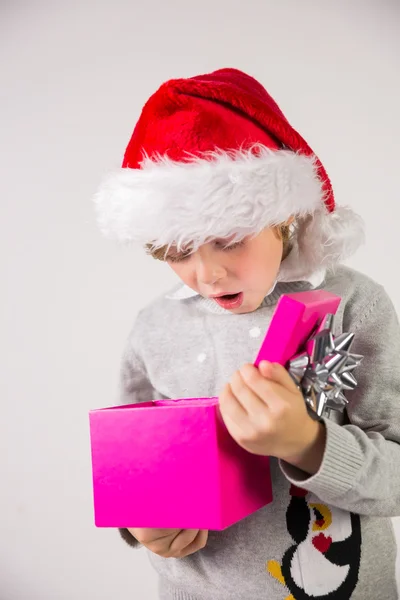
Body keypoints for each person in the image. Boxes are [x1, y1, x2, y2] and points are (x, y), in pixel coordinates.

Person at [93, 68, 400, 600]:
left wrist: (308, 443)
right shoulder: (156, 326)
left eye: (229, 239)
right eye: (178, 251)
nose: (207, 274)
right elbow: (132, 469)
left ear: (283, 218)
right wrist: (143, 525)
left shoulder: (353, 304)